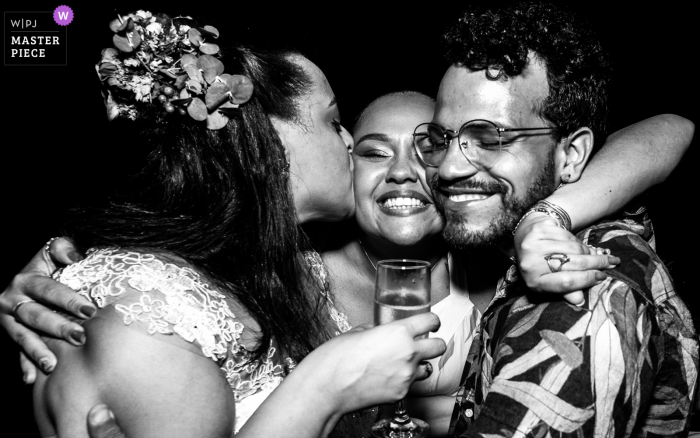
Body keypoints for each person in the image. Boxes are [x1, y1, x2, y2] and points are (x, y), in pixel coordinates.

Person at [0, 11, 447, 438]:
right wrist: (324, 386)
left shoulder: (288, 259)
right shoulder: (152, 318)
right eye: (333, 121)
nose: (348, 141)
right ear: (269, 139)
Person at [323, 91, 693, 436]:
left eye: (428, 149)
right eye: (375, 153)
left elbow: (671, 128)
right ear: (345, 161)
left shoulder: (487, 245)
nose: (402, 171)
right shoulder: (291, 267)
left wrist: (548, 216)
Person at [408, 3, 697, 436]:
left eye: (489, 138)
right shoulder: (575, 227)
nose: (448, 168)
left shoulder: (575, 301)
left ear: (572, 154)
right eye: (443, 138)